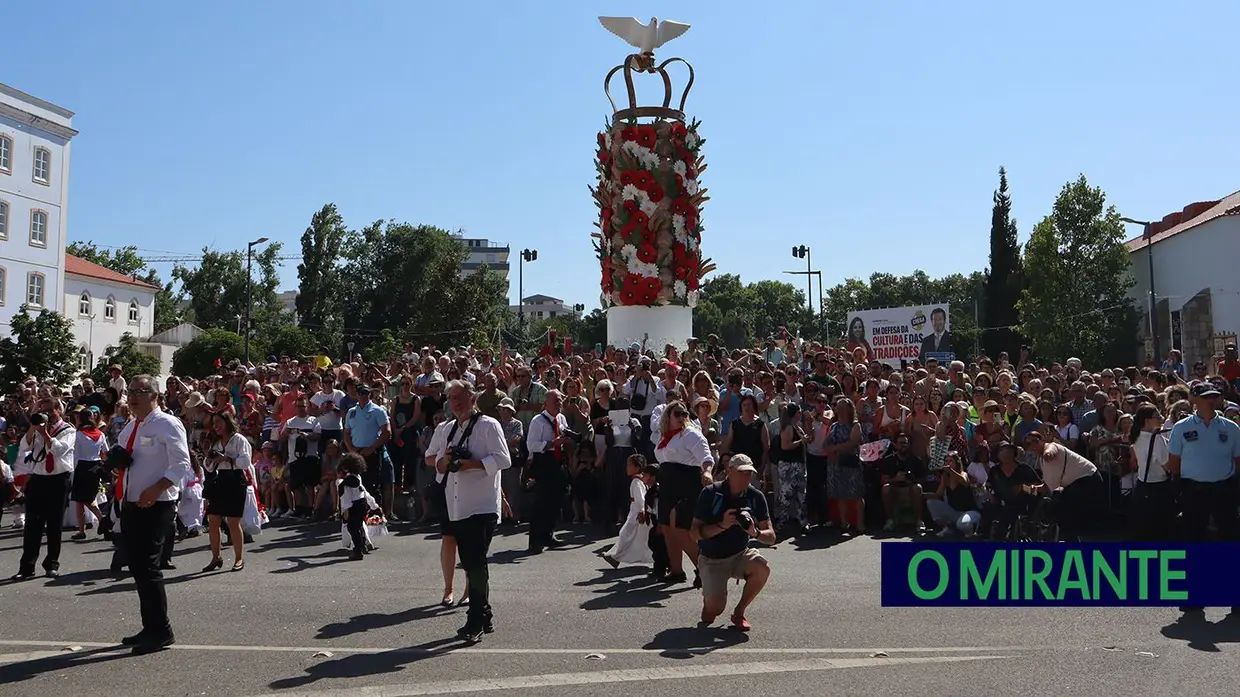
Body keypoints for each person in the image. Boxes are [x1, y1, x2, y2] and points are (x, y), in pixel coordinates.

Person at [425, 379, 511, 644]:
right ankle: (485, 614)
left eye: (461, 398)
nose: (457, 403)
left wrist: (469, 464)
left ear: (473, 398)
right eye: (452, 399)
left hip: (482, 505)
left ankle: (475, 620)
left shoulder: (488, 425)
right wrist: (446, 462)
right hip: (456, 505)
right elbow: (432, 460)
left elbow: (503, 459)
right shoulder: (446, 429)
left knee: (475, 562)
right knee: (474, 562)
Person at [115, 375, 194, 654]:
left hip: (156, 504)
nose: (133, 396)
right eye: (131, 391)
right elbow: (124, 458)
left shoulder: (167, 424)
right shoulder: (131, 426)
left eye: (140, 391)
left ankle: (162, 631)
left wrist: (157, 489)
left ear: (155, 395)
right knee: (137, 568)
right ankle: (150, 626)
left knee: (148, 568)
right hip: (131, 504)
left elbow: (182, 464)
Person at [1167, 382, 1240, 615]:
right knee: (1193, 541)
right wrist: (1179, 483)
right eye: (1207, 396)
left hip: (1224, 489)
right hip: (1194, 490)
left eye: (1215, 396)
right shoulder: (1181, 427)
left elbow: (1238, 461)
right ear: (1194, 400)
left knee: (1231, 541)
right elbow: (1174, 460)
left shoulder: (1231, 428)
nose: (1212, 400)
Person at [690, 454, 776, 631]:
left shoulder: (755, 496)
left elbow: (771, 537)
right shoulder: (711, 493)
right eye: (742, 473)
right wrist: (722, 525)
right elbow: (694, 534)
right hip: (712, 558)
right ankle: (709, 597)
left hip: (740, 554)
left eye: (749, 473)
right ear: (729, 471)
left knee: (762, 568)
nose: (747, 477)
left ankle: (739, 612)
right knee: (713, 611)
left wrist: (755, 532)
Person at [11, 398, 76, 580]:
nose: (46, 415)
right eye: (43, 411)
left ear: (58, 411)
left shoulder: (69, 430)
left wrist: (46, 433)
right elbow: (25, 446)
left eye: (49, 411)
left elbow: (60, 450)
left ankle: (51, 564)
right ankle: (26, 567)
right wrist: (34, 427)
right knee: (32, 524)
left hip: (59, 479)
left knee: (54, 525)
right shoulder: (37, 429)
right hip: (39, 479)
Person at [201, 411, 253, 572]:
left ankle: (239, 558)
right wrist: (209, 457)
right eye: (214, 423)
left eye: (218, 422)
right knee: (213, 520)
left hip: (235, 480)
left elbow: (245, 462)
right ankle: (216, 557)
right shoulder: (215, 442)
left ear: (227, 421)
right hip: (220, 479)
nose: (216, 426)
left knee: (232, 522)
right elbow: (208, 466)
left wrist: (227, 458)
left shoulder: (239, 440)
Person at [525, 389, 573, 553]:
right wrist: (553, 443)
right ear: (546, 403)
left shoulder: (561, 418)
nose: (559, 404)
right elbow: (531, 445)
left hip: (558, 461)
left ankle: (548, 535)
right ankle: (535, 541)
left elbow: (564, 434)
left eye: (560, 400)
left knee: (556, 500)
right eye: (556, 401)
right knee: (542, 502)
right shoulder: (537, 421)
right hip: (544, 461)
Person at [344, 384, 394, 517]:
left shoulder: (378, 411)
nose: (364, 396)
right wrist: (351, 450)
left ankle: (374, 515)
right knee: (355, 484)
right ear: (357, 394)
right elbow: (346, 433)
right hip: (356, 452)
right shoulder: (351, 412)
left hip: (371, 452)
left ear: (370, 394)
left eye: (366, 393)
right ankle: (358, 514)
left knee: (372, 484)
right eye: (361, 393)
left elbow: (386, 432)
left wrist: (372, 448)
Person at [602, 453, 654, 569]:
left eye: (629, 465)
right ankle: (616, 557)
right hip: (636, 512)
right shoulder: (640, 480)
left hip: (636, 514)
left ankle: (615, 557)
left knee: (626, 535)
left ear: (637, 467)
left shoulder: (636, 481)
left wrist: (641, 512)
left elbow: (641, 497)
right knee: (631, 536)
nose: (627, 467)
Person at [70, 407, 108, 541]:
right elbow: (105, 452)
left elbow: (75, 454)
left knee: (84, 499)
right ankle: (81, 530)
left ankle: (102, 520)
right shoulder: (100, 434)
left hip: (82, 466)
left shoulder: (78, 435)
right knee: (85, 499)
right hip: (95, 466)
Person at [338, 453, 378, 561]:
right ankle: (363, 544)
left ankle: (358, 550)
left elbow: (346, 497)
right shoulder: (358, 477)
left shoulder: (345, 483)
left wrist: (345, 510)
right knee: (360, 525)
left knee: (353, 528)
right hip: (363, 504)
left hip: (353, 506)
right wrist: (373, 504)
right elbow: (364, 491)